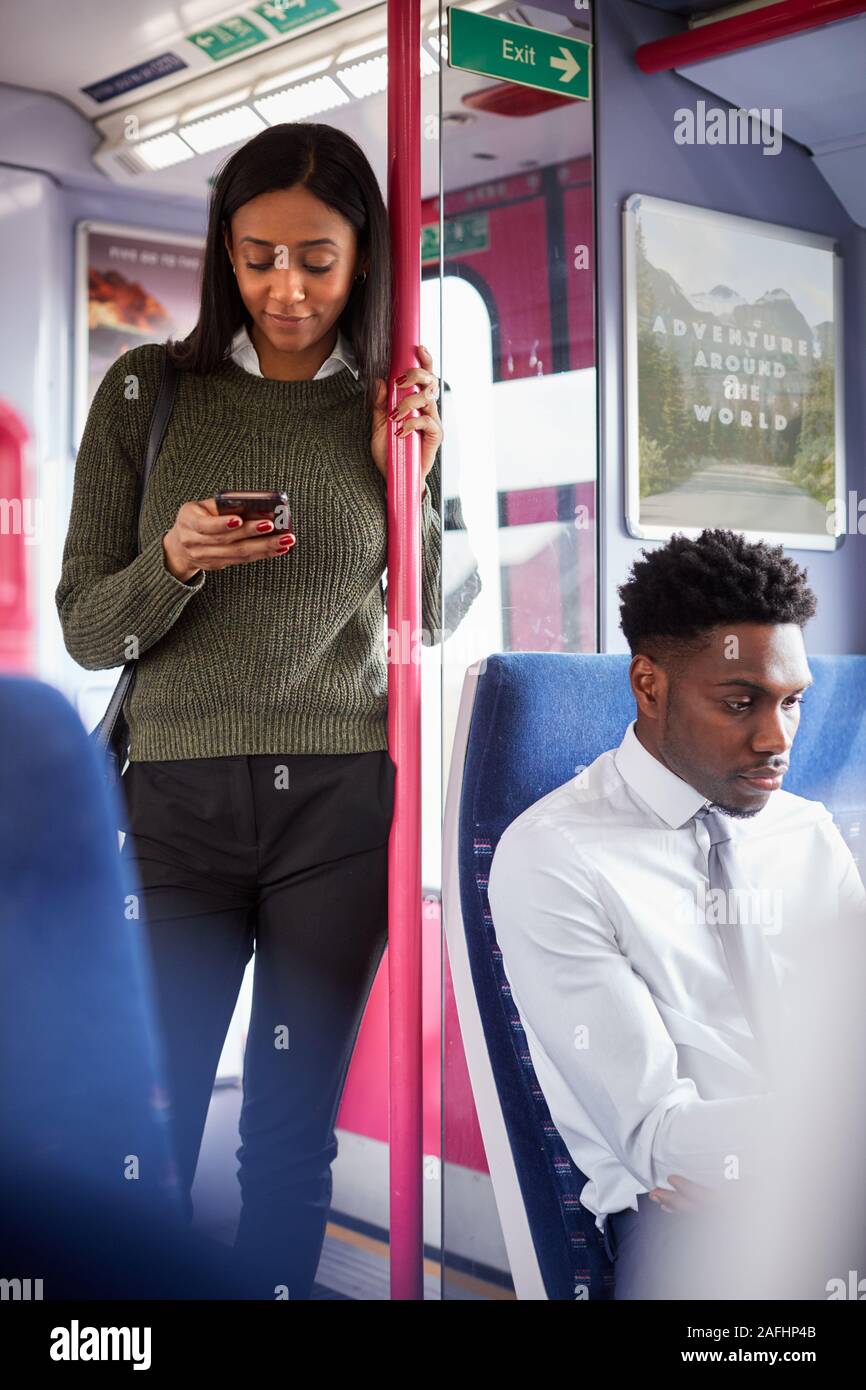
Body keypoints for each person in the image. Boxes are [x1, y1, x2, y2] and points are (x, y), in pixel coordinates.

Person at [55, 121, 480, 1300]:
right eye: (255, 257)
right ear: (220, 254)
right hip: (173, 801)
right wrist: (174, 564)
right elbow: (93, 631)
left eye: (315, 258)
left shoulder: (399, 405)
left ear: (365, 259)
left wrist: (417, 480)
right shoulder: (147, 391)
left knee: (291, 1135)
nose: (284, 288)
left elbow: (434, 615)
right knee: (152, 1122)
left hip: (338, 807)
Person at [487, 528, 866, 1299]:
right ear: (649, 685)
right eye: (740, 703)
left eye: (793, 703)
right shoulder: (555, 855)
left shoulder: (805, 833)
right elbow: (663, 1144)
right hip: (687, 1229)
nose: (776, 739)